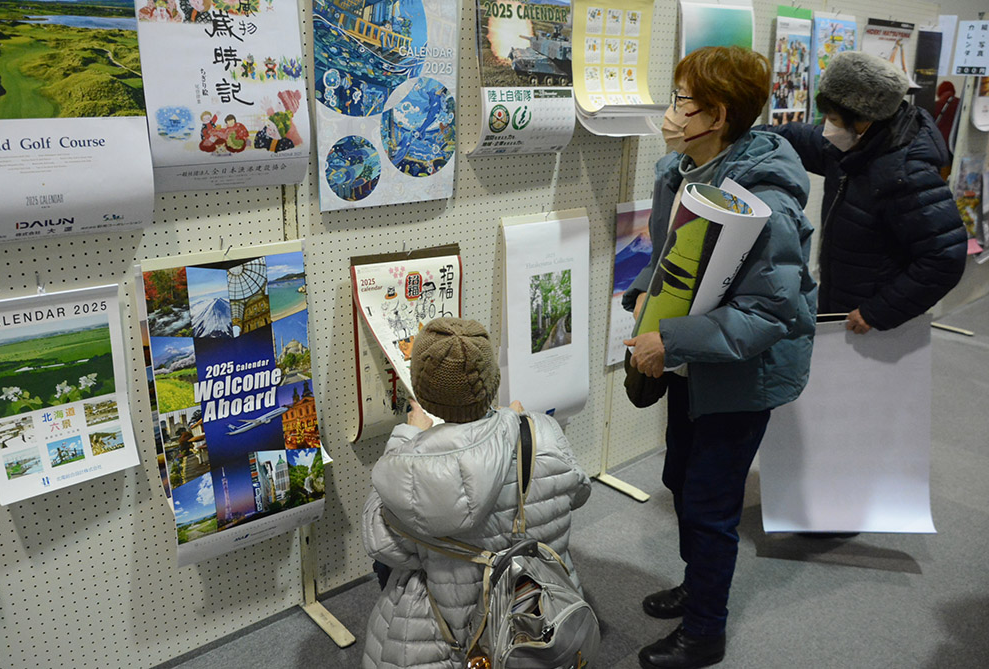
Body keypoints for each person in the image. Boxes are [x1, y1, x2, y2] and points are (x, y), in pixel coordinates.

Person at [621, 46, 817, 669]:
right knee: (680, 477)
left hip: (742, 373)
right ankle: (696, 584)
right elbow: (670, 258)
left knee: (710, 502)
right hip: (695, 361)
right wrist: (641, 296)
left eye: (682, 101)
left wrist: (670, 340)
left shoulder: (768, 200)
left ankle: (705, 631)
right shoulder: (680, 170)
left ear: (719, 115)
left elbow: (768, 313)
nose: (671, 112)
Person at [361, 317, 591, 669]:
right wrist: (513, 424)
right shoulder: (542, 434)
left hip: (449, 639)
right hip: (541, 613)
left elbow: (381, 544)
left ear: (420, 394)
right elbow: (578, 492)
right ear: (493, 381)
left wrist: (406, 440)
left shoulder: (408, 466)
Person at [766, 51, 966, 334]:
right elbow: (799, 138)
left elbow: (945, 258)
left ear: (864, 120)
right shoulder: (854, 147)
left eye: (833, 119)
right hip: (840, 300)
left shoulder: (908, 175)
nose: (827, 128)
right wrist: (747, 135)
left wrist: (878, 311)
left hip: (871, 324)